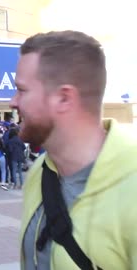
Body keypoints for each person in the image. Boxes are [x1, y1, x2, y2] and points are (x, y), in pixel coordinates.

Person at [11, 30, 137, 269]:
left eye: (22, 90)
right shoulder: (40, 169)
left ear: (64, 98)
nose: (13, 101)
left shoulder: (133, 185)